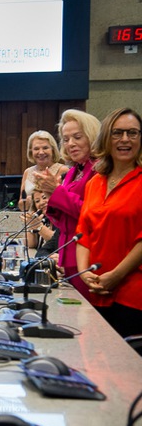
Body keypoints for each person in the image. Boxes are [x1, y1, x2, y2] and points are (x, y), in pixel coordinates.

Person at [75, 108, 142, 338]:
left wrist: (116, 275)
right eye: (118, 133)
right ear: (106, 138)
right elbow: (83, 233)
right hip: (97, 291)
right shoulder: (94, 183)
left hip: (133, 294)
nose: (125, 139)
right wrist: (84, 272)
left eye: (132, 133)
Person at [41, 109, 100, 298]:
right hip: (66, 258)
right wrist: (51, 196)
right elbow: (62, 224)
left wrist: (56, 192)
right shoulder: (73, 172)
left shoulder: (99, 170)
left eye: (77, 137)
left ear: (92, 137)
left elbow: (92, 215)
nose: (71, 144)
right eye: (66, 139)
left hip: (88, 259)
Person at [18, 130, 68, 208]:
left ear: (53, 149)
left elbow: (66, 200)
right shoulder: (27, 172)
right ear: (31, 151)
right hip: (32, 218)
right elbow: (21, 205)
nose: (41, 152)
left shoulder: (63, 170)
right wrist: (26, 202)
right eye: (36, 149)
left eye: (45, 148)